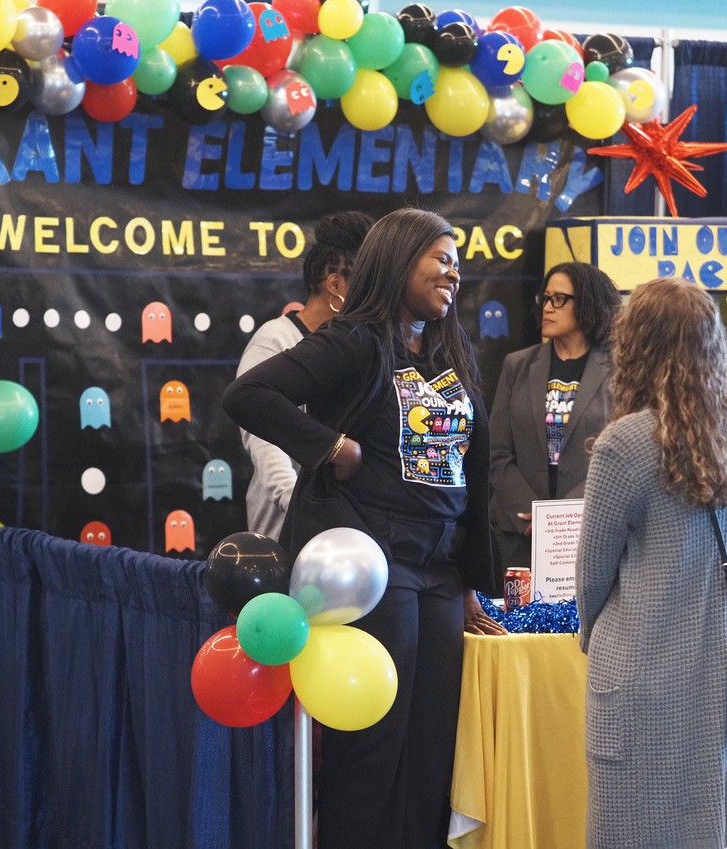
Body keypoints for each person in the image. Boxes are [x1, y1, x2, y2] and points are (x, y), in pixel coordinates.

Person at [222, 208, 506, 849]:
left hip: (438, 567)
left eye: (456, 260)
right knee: (375, 747)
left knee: (432, 745)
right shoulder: (352, 341)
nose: (452, 271)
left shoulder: (445, 350)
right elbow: (247, 396)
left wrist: (469, 580)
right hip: (375, 566)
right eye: (439, 257)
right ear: (398, 262)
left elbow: (475, 474)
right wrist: (330, 446)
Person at [576, 277, 727, 849]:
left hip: (639, 668)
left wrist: (594, 637)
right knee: (705, 828)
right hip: (717, 668)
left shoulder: (627, 442)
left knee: (627, 829)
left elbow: (592, 574)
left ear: (635, 343)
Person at [234, 211, 373, 541]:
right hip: (289, 525)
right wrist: (298, 503)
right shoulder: (277, 339)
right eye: (367, 282)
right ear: (336, 286)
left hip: (354, 525)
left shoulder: (364, 341)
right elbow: (262, 436)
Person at [489, 261, 620, 571]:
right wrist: (532, 514)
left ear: (588, 304)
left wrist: (562, 520)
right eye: (544, 298)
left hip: (587, 533)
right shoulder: (517, 365)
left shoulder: (620, 370)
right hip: (519, 535)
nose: (547, 307)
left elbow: (620, 457)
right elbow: (497, 454)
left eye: (559, 299)